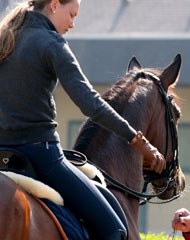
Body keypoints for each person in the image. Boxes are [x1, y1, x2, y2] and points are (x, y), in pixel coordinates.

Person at [0, 0, 166, 239]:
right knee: (115, 229)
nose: (72, 24)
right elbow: (91, 105)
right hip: (43, 156)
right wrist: (138, 141)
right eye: (72, 14)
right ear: (55, 5)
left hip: (3, 153)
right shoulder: (52, 44)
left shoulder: (6, 38)